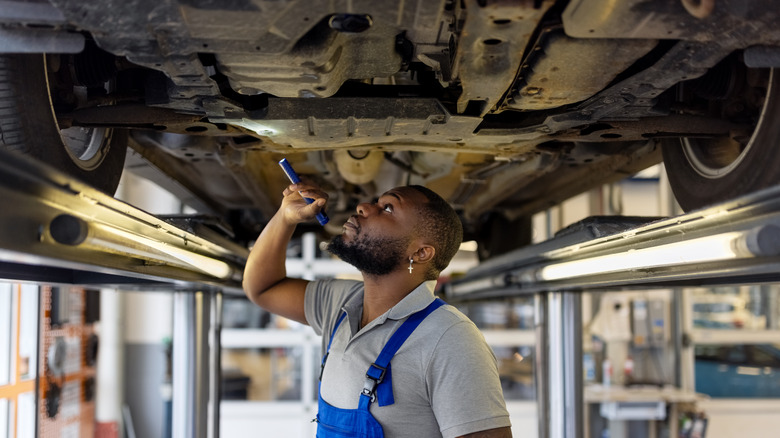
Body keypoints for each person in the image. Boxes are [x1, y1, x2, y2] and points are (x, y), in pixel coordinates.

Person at [243, 180, 512, 438]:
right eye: (376, 202)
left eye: (388, 208)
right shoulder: (342, 303)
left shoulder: (451, 340)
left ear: (420, 253)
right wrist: (285, 218)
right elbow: (263, 288)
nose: (363, 206)